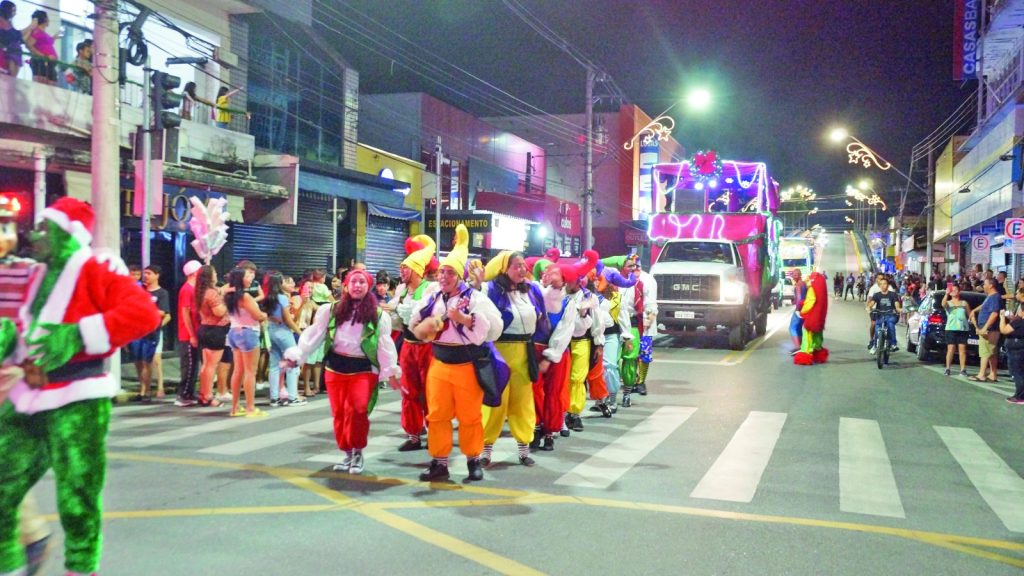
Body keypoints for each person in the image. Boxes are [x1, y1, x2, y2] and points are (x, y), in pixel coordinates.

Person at [0, 197, 162, 576]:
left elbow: (144, 313)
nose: (35, 235)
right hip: (28, 391)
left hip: (78, 396)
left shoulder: (95, 269)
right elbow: (21, 327)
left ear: (65, 233)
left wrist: (76, 336)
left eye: (45, 228)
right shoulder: (36, 275)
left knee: (77, 499)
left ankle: (80, 569)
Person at [410, 224, 502, 482]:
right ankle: (439, 462)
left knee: (470, 416)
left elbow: (494, 328)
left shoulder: (474, 298)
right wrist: (423, 328)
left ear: (460, 276)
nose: (444, 277)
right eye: (441, 272)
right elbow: (414, 322)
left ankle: (473, 459)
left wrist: (463, 319)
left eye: (449, 273)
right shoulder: (432, 298)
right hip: (439, 363)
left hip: (466, 365)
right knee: (437, 415)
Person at [286, 268, 400, 474]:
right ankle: (347, 452)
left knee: (357, 411)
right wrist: (297, 356)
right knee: (339, 413)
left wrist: (390, 371)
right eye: (354, 282)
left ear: (368, 286)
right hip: (335, 369)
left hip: (363, 369)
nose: (357, 286)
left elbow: (384, 345)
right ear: (346, 285)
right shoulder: (330, 310)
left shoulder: (378, 315)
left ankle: (357, 451)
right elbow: (315, 335)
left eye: (362, 282)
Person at [480, 250, 544, 467]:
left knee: (523, 401)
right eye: (516, 265)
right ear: (504, 269)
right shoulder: (490, 290)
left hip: (524, 351)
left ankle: (524, 449)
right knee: (494, 401)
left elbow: (546, 314)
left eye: (523, 265)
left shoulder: (532, 290)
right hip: (499, 351)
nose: (522, 269)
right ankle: (485, 450)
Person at [392, 235, 438, 451]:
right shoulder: (401, 290)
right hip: (408, 346)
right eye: (401, 267)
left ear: (418, 270)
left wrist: (395, 310)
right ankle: (413, 435)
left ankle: (436, 434)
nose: (402, 271)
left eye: (406, 267)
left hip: (427, 348)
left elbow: (417, 314)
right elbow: (395, 318)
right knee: (408, 391)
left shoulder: (430, 289)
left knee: (430, 391)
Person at [528, 258, 577, 451]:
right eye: (546, 271)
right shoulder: (536, 293)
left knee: (553, 393)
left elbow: (564, 332)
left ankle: (550, 432)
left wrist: (549, 356)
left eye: (553, 272)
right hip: (535, 348)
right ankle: (536, 426)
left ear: (563, 279)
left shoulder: (568, 303)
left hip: (557, 353)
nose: (548, 274)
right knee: (533, 390)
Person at [224, 267, 269, 417]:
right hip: (248, 332)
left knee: (238, 370)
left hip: (233, 332)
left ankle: (235, 407)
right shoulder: (245, 297)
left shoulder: (229, 295)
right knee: (251, 371)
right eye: (247, 275)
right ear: (240, 279)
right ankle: (250, 407)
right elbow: (257, 316)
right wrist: (264, 314)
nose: (251, 277)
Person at [128, 264, 170, 401]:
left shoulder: (162, 293)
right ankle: (142, 390)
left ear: (157, 275)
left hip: (151, 331)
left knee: (148, 361)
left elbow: (163, 312)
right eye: (144, 273)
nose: (145, 276)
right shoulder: (139, 290)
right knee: (138, 361)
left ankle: (148, 391)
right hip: (136, 331)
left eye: (149, 273)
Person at [262, 271, 304, 406]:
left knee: (275, 365)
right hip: (283, 332)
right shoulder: (282, 298)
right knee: (292, 364)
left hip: (271, 330)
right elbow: (287, 320)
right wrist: (299, 332)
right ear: (279, 283)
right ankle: (293, 397)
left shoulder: (266, 297)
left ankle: (274, 398)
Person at [195, 265, 230, 406]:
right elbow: (219, 312)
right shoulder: (211, 293)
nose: (216, 274)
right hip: (216, 331)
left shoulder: (200, 291)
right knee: (211, 365)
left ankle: (204, 395)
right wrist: (227, 301)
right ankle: (208, 396)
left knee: (206, 365)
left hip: (205, 328)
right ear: (209, 276)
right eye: (214, 272)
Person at [175, 260, 202, 407]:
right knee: (189, 365)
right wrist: (192, 335)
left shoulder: (193, 289)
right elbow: (185, 313)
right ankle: (183, 394)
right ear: (194, 273)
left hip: (194, 332)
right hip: (187, 334)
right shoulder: (187, 290)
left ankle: (190, 392)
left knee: (193, 365)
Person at [970, 278, 1002, 383]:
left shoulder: (995, 297)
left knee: (985, 351)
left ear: (991, 285)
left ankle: (982, 374)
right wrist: (974, 310)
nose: (983, 286)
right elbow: (983, 306)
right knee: (991, 352)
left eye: (985, 284)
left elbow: (994, 314)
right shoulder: (990, 297)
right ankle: (993, 374)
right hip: (988, 328)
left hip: (990, 329)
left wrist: (985, 327)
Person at [999, 287, 1024, 404]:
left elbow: (1004, 330)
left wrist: (1002, 318)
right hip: (1019, 348)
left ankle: (1019, 396)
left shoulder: (1019, 322)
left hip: (1017, 350)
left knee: (1017, 373)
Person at [941, 285, 971, 377]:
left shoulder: (964, 303)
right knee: (951, 349)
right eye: (952, 290)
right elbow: (943, 304)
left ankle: (963, 369)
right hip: (951, 328)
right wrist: (946, 294)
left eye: (956, 290)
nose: (954, 291)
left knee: (962, 350)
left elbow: (970, 314)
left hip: (963, 329)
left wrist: (974, 324)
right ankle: (948, 368)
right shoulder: (949, 303)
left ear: (959, 291)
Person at [866, 275, 901, 354]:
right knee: (877, 328)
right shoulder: (877, 295)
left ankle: (893, 344)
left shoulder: (893, 294)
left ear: (888, 285)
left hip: (891, 315)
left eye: (884, 284)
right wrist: (868, 308)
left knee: (890, 324)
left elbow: (897, 305)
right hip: (880, 315)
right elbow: (871, 303)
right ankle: (875, 346)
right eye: (881, 284)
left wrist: (899, 309)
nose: (882, 285)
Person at [22, 10, 57, 85]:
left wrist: (55, 37)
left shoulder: (42, 32)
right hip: (41, 62)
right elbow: (28, 45)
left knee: (51, 88)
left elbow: (47, 43)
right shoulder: (37, 31)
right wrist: (43, 56)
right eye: (47, 18)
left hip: (48, 63)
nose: (49, 20)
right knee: (41, 88)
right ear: (45, 19)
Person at [0, 1, 21, 77]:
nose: (14, 13)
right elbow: (11, 35)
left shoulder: (9, 22)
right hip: (5, 53)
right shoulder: (2, 22)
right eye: (13, 10)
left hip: (11, 53)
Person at [789, 269, 806, 355]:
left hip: (800, 309)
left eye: (796, 274)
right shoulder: (803, 283)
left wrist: (797, 309)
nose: (794, 276)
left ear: (800, 275)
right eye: (793, 274)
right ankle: (801, 346)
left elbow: (800, 298)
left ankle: (797, 347)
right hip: (805, 309)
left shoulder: (798, 285)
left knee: (792, 328)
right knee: (798, 327)